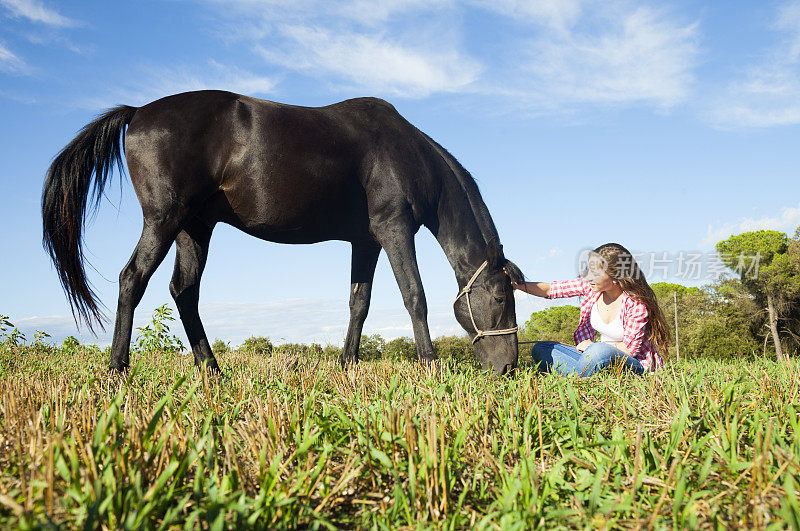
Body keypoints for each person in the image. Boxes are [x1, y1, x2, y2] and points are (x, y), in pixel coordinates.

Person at [507, 243, 669, 376]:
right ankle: (585, 374)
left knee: (598, 352)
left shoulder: (635, 304)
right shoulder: (591, 287)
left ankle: (574, 379)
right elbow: (551, 290)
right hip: (593, 357)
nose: (589, 276)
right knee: (542, 349)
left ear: (615, 276)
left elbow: (629, 350)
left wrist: (592, 347)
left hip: (633, 365)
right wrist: (517, 284)